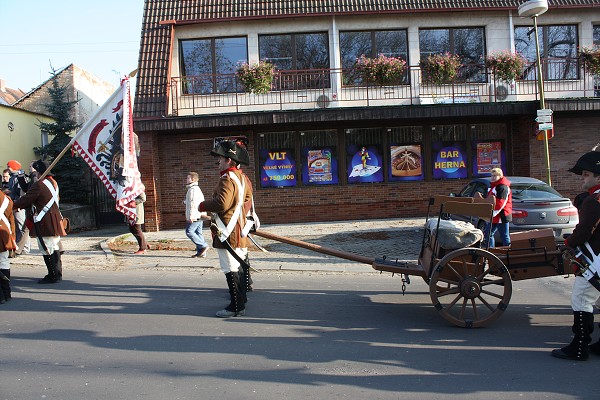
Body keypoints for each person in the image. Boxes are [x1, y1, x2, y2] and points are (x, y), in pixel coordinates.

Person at [552, 150, 600, 361]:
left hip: (595, 260)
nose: (583, 178)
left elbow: (584, 231)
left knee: (581, 299)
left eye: (587, 175)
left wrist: (569, 242)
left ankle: (579, 348)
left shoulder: (593, 201)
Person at [199, 140, 253, 318]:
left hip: (227, 230)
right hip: (238, 228)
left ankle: (236, 307)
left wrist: (201, 205)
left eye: (221, 158)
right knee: (238, 264)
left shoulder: (227, 179)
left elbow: (221, 203)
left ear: (229, 160)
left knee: (230, 267)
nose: (219, 162)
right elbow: (246, 201)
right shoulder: (242, 178)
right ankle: (241, 300)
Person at [13, 160, 67, 284]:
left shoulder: (39, 184)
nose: (35, 173)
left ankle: (52, 275)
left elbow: (27, 199)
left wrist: (12, 205)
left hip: (45, 221)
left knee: (46, 247)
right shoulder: (53, 182)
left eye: (36, 171)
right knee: (54, 246)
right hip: (55, 218)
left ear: (39, 171)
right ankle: (57, 273)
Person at [477, 167, 512, 247]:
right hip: (495, 215)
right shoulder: (495, 186)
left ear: (500, 176)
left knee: (504, 236)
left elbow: (501, 203)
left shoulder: (502, 187)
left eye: (495, 176)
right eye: (492, 175)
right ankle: (491, 251)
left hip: (501, 215)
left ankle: (508, 253)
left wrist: (492, 213)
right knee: (488, 234)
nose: (492, 177)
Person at [6, 160, 31, 255]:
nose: (8, 168)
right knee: (17, 227)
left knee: (22, 227)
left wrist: (19, 205)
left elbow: (21, 192)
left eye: (9, 166)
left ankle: (25, 248)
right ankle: (20, 246)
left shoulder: (18, 177)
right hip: (14, 204)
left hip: (18, 205)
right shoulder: (13, 177)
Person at [184, 172, 209, 258]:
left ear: (193, 179)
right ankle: (201, 253)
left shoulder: (193, 190)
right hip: (200, 214)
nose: (186, 179)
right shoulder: (195, 189)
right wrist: (185, 202)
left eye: (188, 178)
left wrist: (191, 216)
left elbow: (193, 204)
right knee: (198, 233)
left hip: (195, 215)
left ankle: (203, 246)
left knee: (189, 232)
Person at [0, 188, 16, 303]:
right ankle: (7, 293)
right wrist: (13, 237)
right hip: (5, 235)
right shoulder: (7, 199)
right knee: (4, 262)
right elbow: (11, 220)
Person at [128, 184, 149, 255]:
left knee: (137, 229)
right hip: (130, 212)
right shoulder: (128, 185)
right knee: (132, 229)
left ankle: (143, 248)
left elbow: (143, 198)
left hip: (136, 211)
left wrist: (132, 202)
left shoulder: (137, 185)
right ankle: (144, 243)